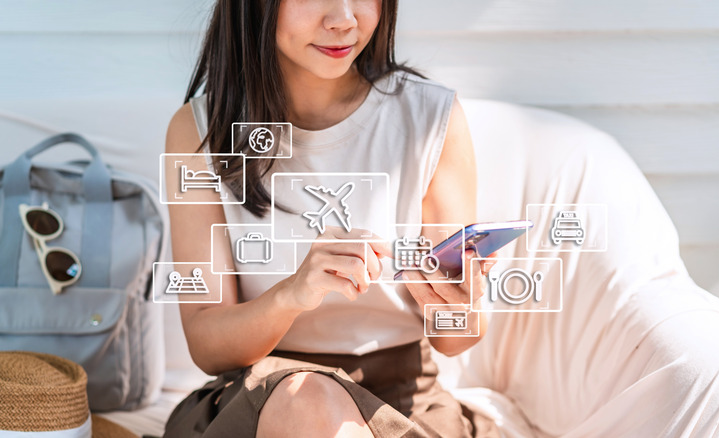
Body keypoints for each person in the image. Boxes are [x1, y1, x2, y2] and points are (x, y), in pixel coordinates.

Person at [162, 0, 499, 436]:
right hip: (262, 398)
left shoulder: (432, 118)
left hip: (404, 402)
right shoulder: (200, 129)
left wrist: (460, 301)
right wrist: (292, 294)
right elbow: (208, 347)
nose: (344, 19)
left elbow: (456, 339)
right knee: (308, 398)